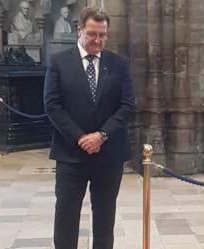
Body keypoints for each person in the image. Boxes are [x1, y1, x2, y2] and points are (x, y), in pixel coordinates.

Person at [43, 6, 136, 249]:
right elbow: (52, 105)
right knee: (66, 217)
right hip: (70, 154)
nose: (97, 40)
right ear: (80, 31)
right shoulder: (59, 62)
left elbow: (127, 106)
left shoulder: (119, 64)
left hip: (109, 154)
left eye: (102, 35)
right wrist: (80, 138)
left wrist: (101, 136)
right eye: (92, 34)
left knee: (105, 219)